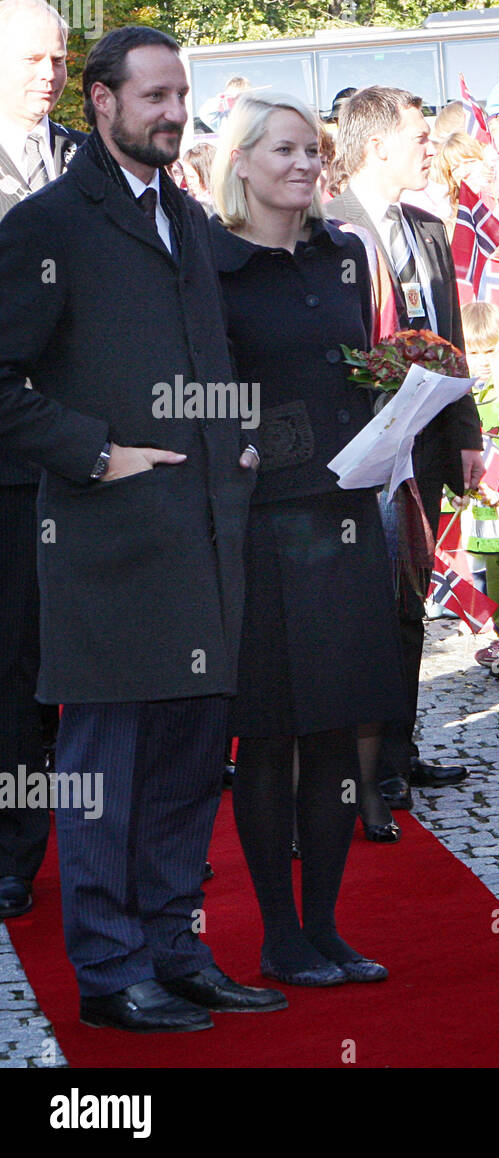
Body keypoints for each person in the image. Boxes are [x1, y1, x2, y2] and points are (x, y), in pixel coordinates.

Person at [0, 25, 284, 1032]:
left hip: (206, 541)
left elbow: (206, 358)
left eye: (182, 95)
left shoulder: (183, 213)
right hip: (107, 549)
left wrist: (234, 439)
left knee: (186, 767)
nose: (173, 112)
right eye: (154, 95)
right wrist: (92, 453)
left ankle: (177, 948)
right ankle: (113, 969)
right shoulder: (47, 224)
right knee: (102, 780)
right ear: (102, 101)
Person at [209, 91, 399, 984]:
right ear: (241, 162)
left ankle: (324, 926)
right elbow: (198, 386)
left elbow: (358, 367)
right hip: (265, 525)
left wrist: (400, 399)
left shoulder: (346, 253)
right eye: (284, 150)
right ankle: (278, 934)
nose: (304, 164)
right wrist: (232, 439)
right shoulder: (210, 266)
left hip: (350, 512)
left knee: (337, 729)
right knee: (272, 733)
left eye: (313, 151)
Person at [328, 85, 481, 821]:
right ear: (381, 143)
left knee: (411, 606)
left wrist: (469, 435)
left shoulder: (427, 227)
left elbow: (452, 341)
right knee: (365, 606)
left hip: (424, 444)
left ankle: (398, 750)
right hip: (357, 449)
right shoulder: (328, 226)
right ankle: (361, 766)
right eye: (422, 135)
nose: (432, 147)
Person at [0, 0, 80, 925]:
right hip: (12, 459)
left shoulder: (87, 158)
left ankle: (113, 837)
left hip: (96, 450)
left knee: (99, 660)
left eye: (58, 58)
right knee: (16, 669)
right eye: (28, 58)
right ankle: (16, 851)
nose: (47, 73)